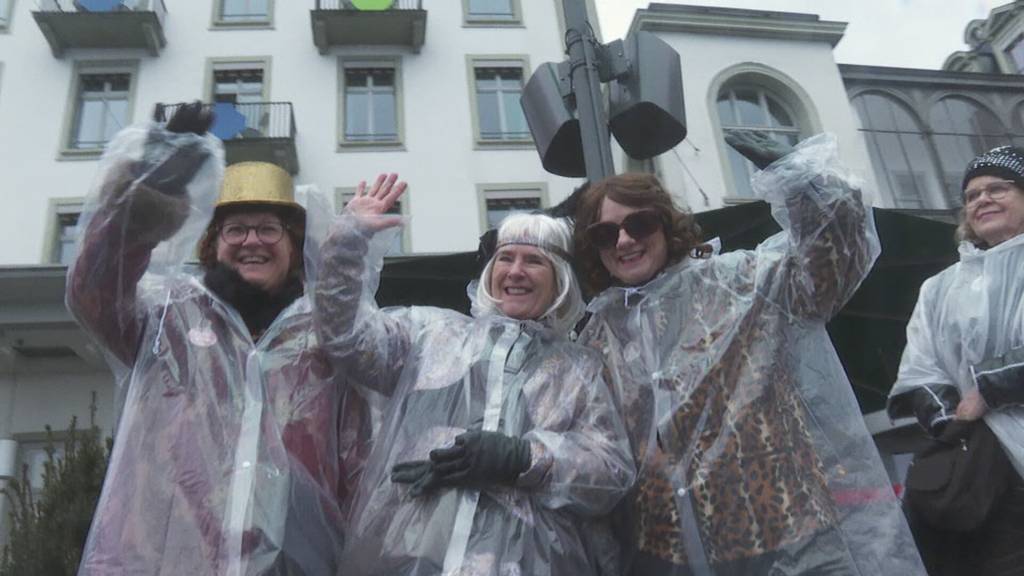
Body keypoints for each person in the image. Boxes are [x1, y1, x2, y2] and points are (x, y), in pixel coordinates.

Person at [572, 130, 925, 575]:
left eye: (638, 224)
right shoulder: (598, 335)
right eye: (606, 233)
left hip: (787, 535)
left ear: (664, 223)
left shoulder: (737, 281)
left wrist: (806, 182)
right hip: (667, 552)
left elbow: (829, 264)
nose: (624, 241)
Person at [67, 103, 366, 575]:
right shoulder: (169, 315)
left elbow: (356, 464)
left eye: (269, 228)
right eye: (236, 229)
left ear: (293, 246)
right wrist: (152, 186)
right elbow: (94, 290)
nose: (252, 240)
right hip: (165, 561)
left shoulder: (326, 337)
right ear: (213, 244)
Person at [311, 174, 635, 576]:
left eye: (534, 261)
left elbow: (610, 475)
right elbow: (346, 338)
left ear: (560, 281)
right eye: (506, 258)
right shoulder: (432, 336)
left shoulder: (578, 369)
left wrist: (522, 458)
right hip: (411, 559)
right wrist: (346, 244)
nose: (516, 271)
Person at [888, 145, 1024, 576]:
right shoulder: (939, 288)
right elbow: (920, 368)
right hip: (978, 473)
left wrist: (987, 390)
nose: (982, 200)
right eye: (971, 195)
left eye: (998, 188)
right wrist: (953, 423)